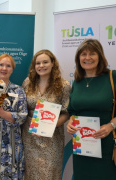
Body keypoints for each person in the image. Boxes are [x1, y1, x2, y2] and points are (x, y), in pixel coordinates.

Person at [66, 39, 116, 180]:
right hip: (82, 143)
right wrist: (71, 123)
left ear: (100, 56)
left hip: (107, 142)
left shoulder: (113, 77)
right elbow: (73, 110)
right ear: (78, 58)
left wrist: (111, 126)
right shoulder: (78, 81)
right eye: (83, 54)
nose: (87, 58)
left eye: (92, 53)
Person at [21, 49, 71, 180]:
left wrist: (50, 126)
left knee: (49, 173)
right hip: (29, 136)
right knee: (30, 172)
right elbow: (22, 108)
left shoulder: (63, 85)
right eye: (38, 63)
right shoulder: (28, 82)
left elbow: (67, 112)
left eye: (45, 62)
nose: (41, 66)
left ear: (53, 63)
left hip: (52, 138)